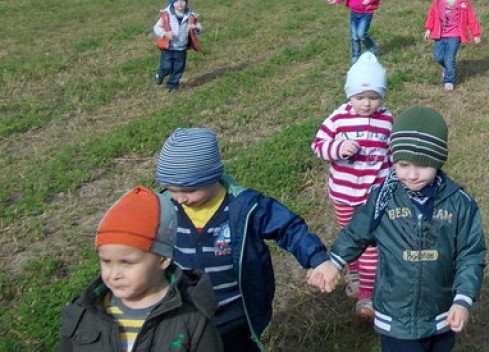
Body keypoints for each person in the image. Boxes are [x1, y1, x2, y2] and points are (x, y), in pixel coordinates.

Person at [155, 128, 341, 351]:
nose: (180, 198)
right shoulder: (164, 206)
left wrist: (318, 259)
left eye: (189, 190)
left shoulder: (245, 207)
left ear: (212, 176)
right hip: (186, 313)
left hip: (235, 314)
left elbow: (289, 228)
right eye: (172, 190)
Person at [328, 106, 486, 351]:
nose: (411, 175)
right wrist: (334, 261)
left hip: (441, 313)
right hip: (396, 318)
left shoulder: (459, 203)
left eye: (422, 166)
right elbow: (355, 233)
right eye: (402, 164)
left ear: (438, 161)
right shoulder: (382, 199)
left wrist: (463, 300)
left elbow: (470, 254)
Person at [58, 186, 223, 352]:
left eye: (126, 263)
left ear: (163, 259)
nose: (114, 274)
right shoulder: (86, 311)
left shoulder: (192, 318)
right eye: (106, 261)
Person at [311, 52, 393, 324]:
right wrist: (338, 149)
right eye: (360, 97)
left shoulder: (387, 120)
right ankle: (355, 274)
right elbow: (318, 146)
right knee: (349, 237)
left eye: (373, 97)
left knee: (370, 244)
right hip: (344, 195)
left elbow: (392, 155)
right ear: (349, 95)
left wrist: (392, 181)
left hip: (373, 197)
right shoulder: (338, 119)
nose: (367, 104)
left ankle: (367, 296)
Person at [424, 0, 481, 91]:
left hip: (455, 34)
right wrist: (429, 28)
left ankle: (449, 80)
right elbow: (432, 13)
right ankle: (449, 68)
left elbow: (471, 17)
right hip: (440, 33)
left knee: (449, 58)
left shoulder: (462, 1)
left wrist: (476, 34)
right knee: (438, 57)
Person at [153, 0, 203, 93]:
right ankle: (160, 75)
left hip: (181, 47)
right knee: (166, 66)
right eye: (177, 1)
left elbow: (200, 27)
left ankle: (171, 85)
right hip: (168, 47)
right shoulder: (167, 15)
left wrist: (195, 28)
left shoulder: (190, 15)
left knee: (178, 69)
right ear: (172, 2)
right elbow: (157, 27)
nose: (180, 3)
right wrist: (165, 33)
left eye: (183, 1)